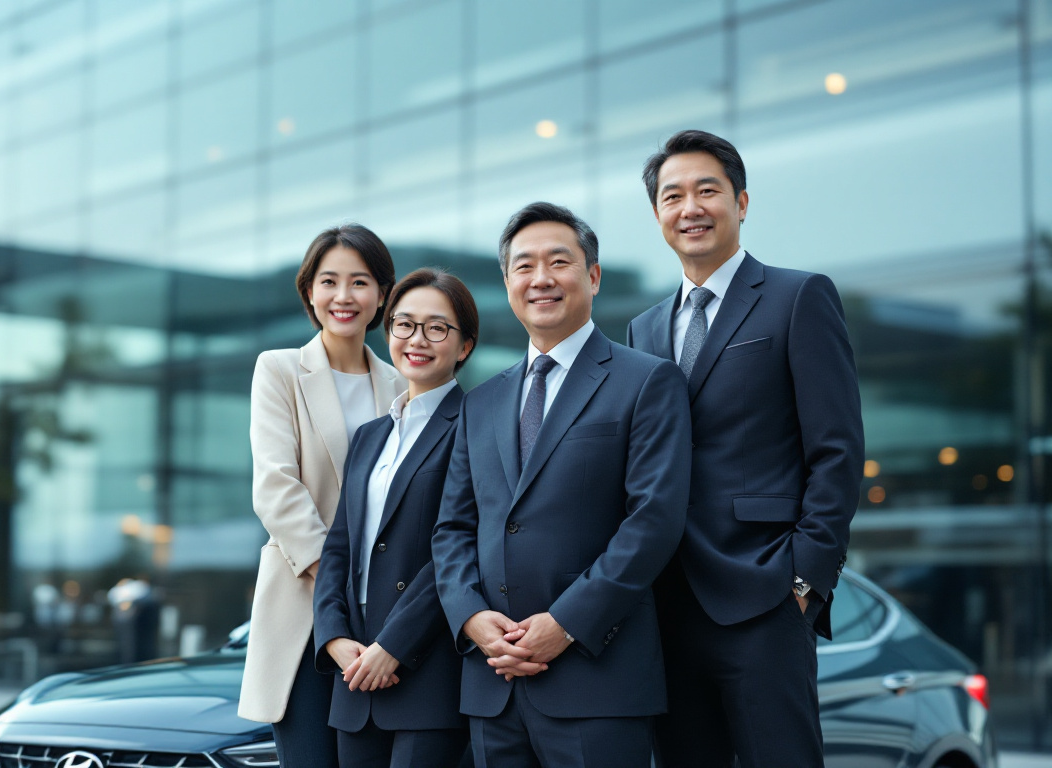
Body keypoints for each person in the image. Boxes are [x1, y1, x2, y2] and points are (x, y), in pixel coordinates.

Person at [627, 129, 865, 768]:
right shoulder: (642, 329)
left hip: (764, 594)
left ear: (742, 202)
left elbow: (837, 450)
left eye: (708, 190)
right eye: (673, 196)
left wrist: (807, 577)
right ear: (658, 216)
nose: (690, 208)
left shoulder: (797, 297)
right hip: (667, 604)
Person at [431, 202, 692, 768]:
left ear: (593, 276)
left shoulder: (645, 380)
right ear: (507, 284)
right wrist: (471, 619)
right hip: (492, 683)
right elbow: (452, 527)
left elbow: (653, 520)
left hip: (598, 678)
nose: (541, 279)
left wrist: (568, 623)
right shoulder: (480, 402)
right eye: (524, 266)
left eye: (559, 262)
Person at [239, 225, 407, 767]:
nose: (344, 296)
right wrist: (337, 587)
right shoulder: (280, 370)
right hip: (303, 611)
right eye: (329, 281)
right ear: (308, 291)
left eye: (360, 282)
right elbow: (276, 489)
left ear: (382, 294)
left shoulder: (403, 384)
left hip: (384, 620)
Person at [314, 268, 478, 768]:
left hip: (425, 667)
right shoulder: (369, 435)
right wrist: (336, 639)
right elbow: (339, 547)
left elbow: (459, 548)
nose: (417, 340)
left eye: (437, 327)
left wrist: (394, 646)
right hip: (355, 670)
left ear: (465, 346)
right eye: (404, 325)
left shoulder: (477, 423)